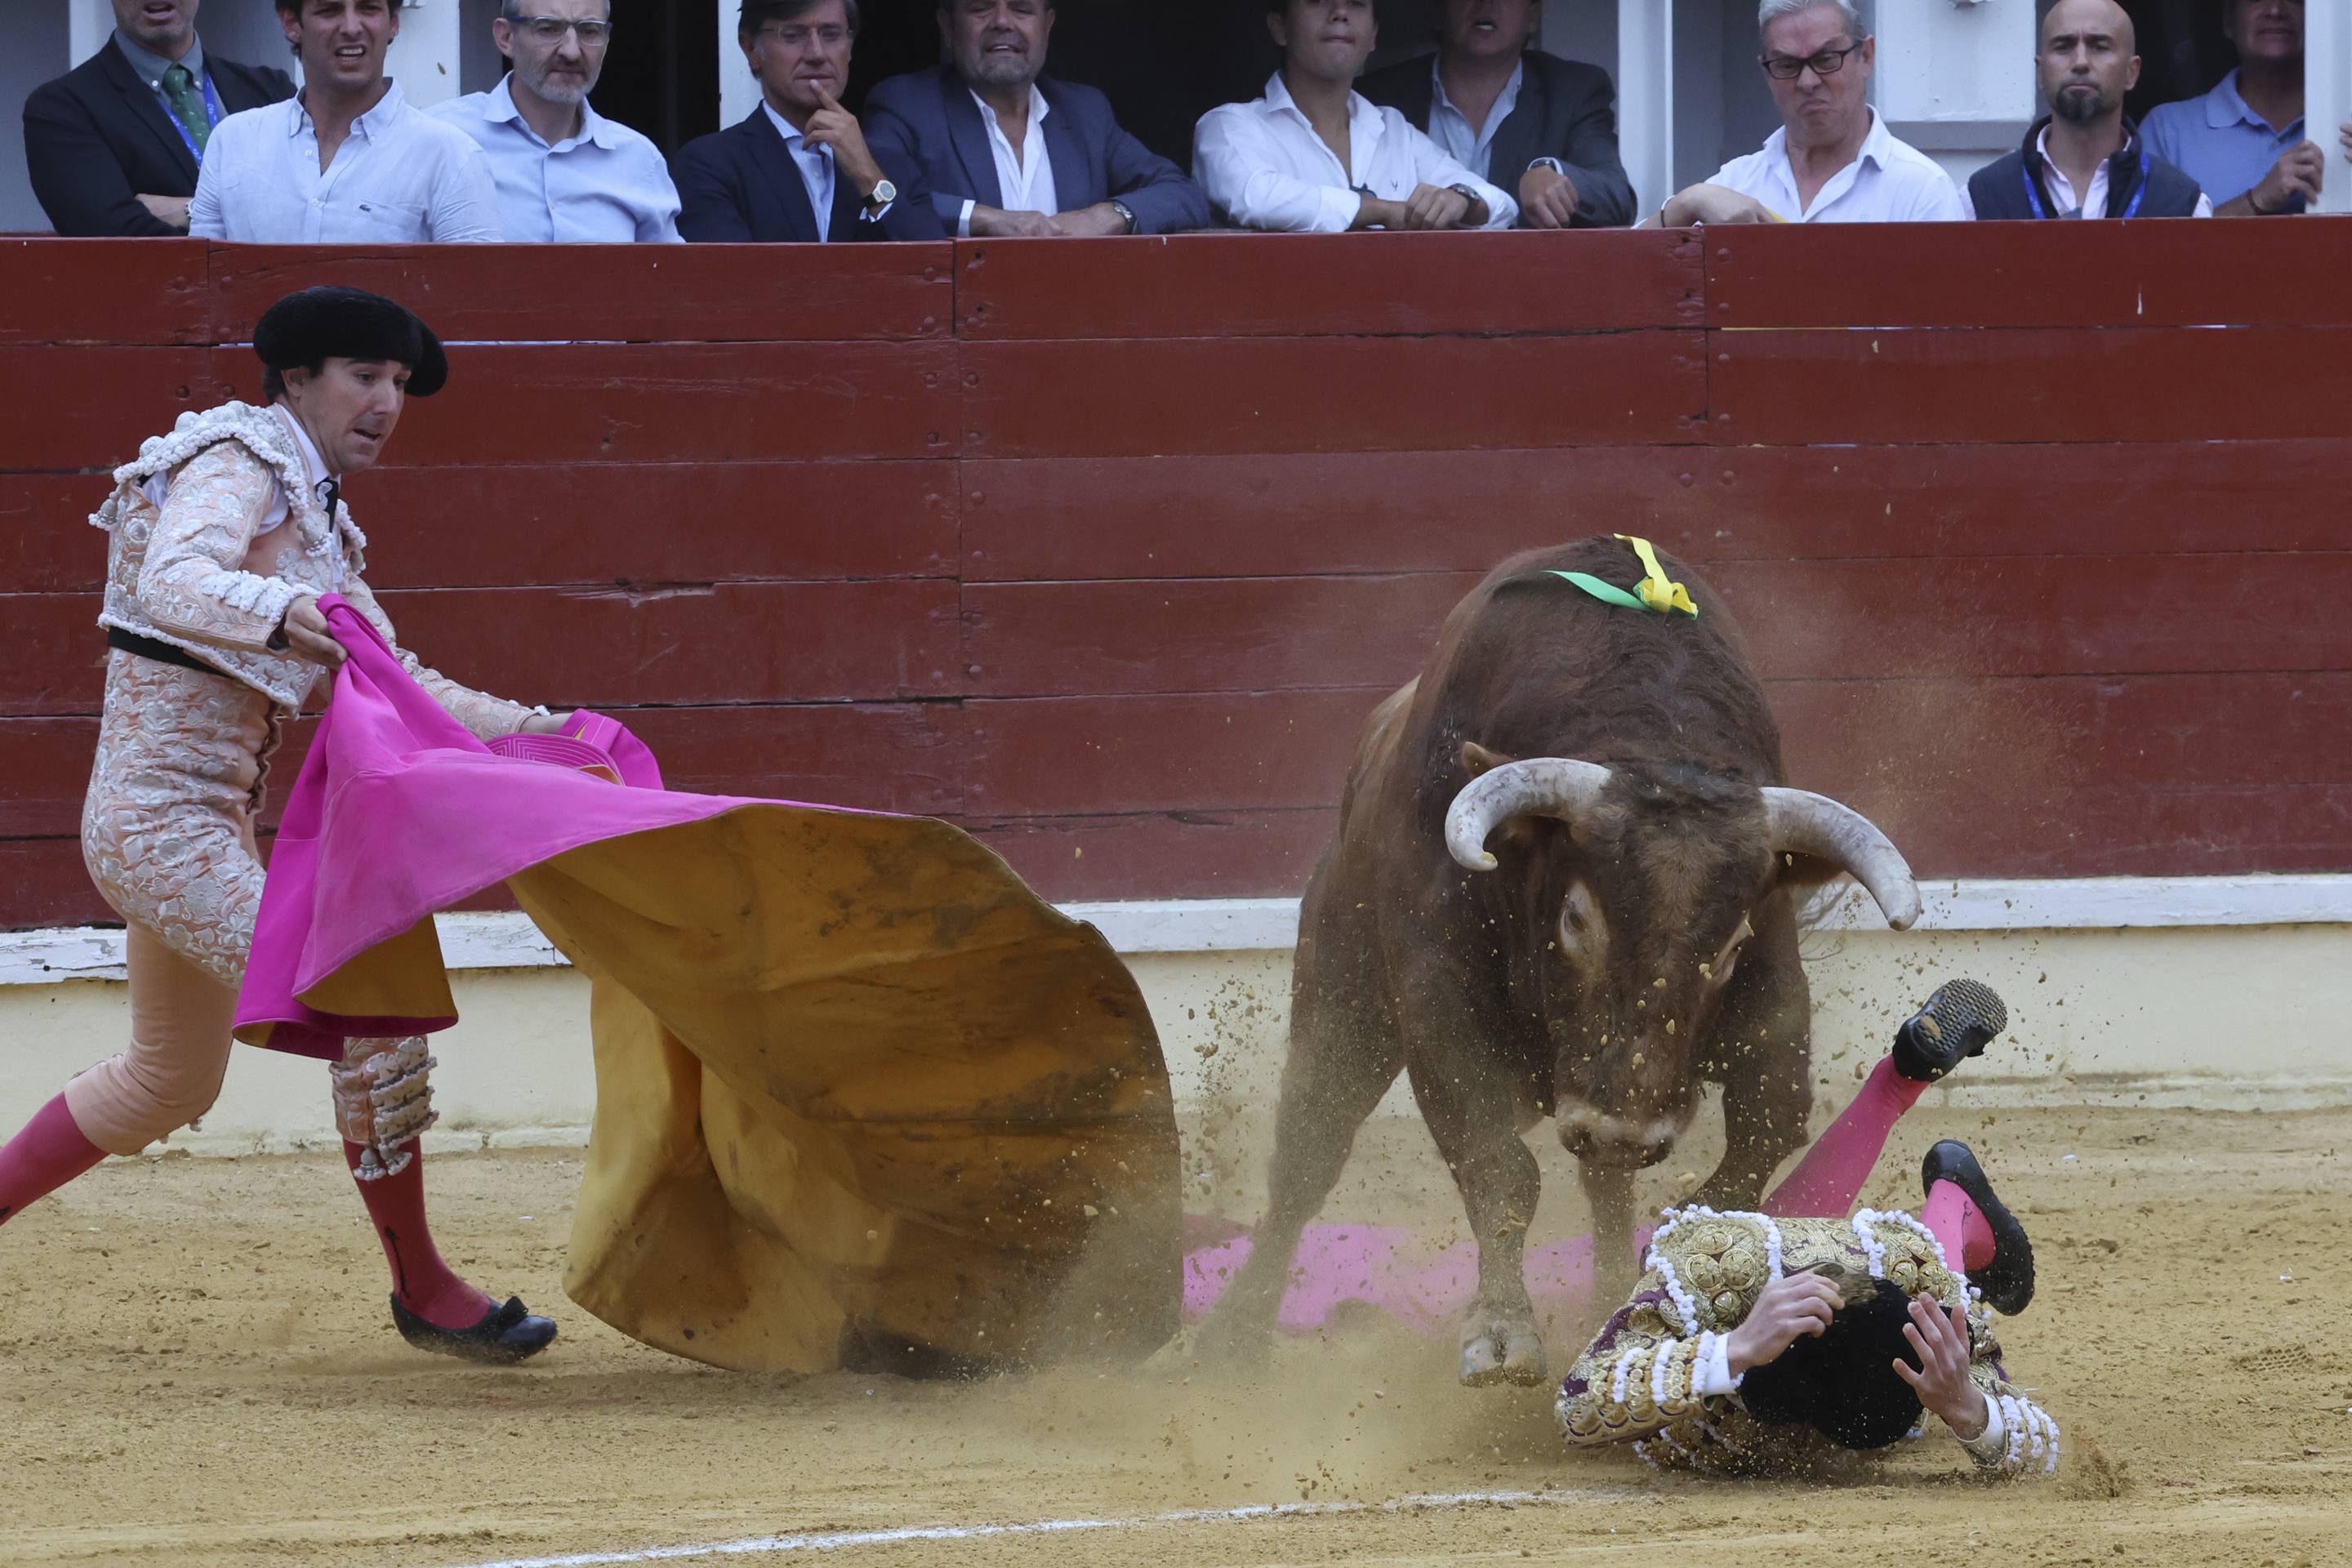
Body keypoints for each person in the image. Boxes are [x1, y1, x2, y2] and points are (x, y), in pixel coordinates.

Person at [0, 287, 568, 1365]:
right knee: (370, 1006)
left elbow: (397, 682)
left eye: (399, 383)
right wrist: (291, 616)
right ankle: (425, 1290)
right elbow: (174, 577)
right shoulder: (236, 458)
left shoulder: (315, 521)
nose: (387, 401)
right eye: (364, 375)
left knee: (168, 1081)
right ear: (296, 380)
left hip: (196, 835)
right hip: (158, 832)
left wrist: (543, 731)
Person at [1557, 981, 2061, 1477]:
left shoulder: (1918, 1288)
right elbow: (1575, 1402)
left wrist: (1968, 1406)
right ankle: (1936, 1167)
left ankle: (1948, 1185)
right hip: (1753, 1282)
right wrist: (1732, 1348)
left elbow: (2042, 1454)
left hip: (1888, 1277)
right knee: (1775, 1235)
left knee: (1927, 1282)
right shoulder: (1711, 1274)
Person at [863, 0, 1210, 238]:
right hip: (955, 334)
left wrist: (1105, 216)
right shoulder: (905, 104)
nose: (1002, 21)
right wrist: (985, 219)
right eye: (980, 7)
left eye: (1022, 8)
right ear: (947, 27)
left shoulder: (1084, 111)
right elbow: (874, 198)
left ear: (1047, 25)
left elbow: (1182, 194)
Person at [189, 0, 502, 243]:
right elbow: (201, 289)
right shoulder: (233, 142)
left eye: (368, 8)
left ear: (393, 22)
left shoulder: (449, 155)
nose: (352, 27)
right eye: (329, 10)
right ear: (291, 23)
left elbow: (473, 304)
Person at [1194, 0, 1516, 234]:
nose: (1340, 13)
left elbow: (1500, 206)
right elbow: (1257, 197)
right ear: (1280, 27)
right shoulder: (1230, 125)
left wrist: (1462, 200)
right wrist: (1383, 211)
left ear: (1373, 36)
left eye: (1357, 3)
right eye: (1318, 1)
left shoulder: (1394, 129)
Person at [1642, 0, 1962, 227]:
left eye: (1826, 59)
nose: (1808, 81)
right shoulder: (1737, 181)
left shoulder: (1921, 188)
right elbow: (1625, 264)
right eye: (1787, 65)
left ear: (1865, 57)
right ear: (1766, 73)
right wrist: (1685, 203)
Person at [672, 0, 944, 243]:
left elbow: (937, 275)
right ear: (752, 49)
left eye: (831, 35)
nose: (816, 53)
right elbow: (732, 287)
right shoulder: (710, 165)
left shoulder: (890, 165)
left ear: (849, 48)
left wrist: (869, 179)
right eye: (792, 36)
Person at [22, 0, 294, 238]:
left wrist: (192, 210)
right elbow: (112, 233)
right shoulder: (62, 109)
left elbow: (316, 206)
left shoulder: (271, 91)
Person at [1359, 0, 1635, 229]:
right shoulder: (1376, 95)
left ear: (1534, 16)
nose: (1486, 2)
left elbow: (1617, 197)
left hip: (1530, 285)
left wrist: (1552, 172)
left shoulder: (1573, 90)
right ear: (1438, 12)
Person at [428, 0, 683, 243]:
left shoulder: (639, 160)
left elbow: (672, 280)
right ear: (506, 37)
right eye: (548, 28)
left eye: (590, 31)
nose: (571, 52)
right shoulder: (443, 139)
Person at [1963, 0, 2208, 220]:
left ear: (2131, 72)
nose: (2080, 62)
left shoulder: (2184, 204)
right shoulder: (1979, 199)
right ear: (2040, 72)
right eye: (2063, 46)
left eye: (2099, 47)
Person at [2143, 0, 2350, 217]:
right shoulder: (2167, 130)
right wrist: (2257, 199)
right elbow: (2147, 247)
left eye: (2295, 0)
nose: (2275, 11)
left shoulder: (2344, 120)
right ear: (2229, 21)